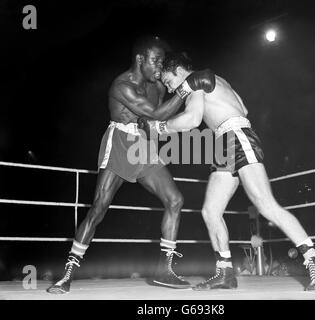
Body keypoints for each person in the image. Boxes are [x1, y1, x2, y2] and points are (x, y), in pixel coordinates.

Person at [138, 52, 315, 291]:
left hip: (236, 137)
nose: (169, 87)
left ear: (178, 72)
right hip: (225, 142)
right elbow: (244, 107)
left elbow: (193, 120)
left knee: (265, 204)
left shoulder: (195, 81)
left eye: (168, 81)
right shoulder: (217, 80)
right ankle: (225, 272)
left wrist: (159, 127)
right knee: (210, 211)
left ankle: (314, 259)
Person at [47, 37, 215, 294]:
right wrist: (186, 89)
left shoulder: (158, 85)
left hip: (144, 145)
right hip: (120, 143)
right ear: (140, 59)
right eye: (155, 61)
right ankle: (67, 273)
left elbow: (164, 115)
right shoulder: (121, 85)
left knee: (175, 200)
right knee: (99, 208)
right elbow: (156, 114)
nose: (160, 67)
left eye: (161, 61)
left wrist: (188, 85)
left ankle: (164, 270)